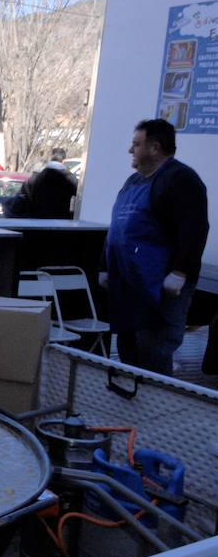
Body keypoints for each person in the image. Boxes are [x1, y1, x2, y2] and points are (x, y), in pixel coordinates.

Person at [99, 119, 208, 376]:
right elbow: (117, 227)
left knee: (154, 350)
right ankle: (129, 401)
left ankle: (157, 406)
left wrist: (180, 272)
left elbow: (194, 231)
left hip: (163, 286)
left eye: (136, 144)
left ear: (155, 148)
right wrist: (105, 265)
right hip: (128, 281)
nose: (130, 150)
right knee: (128, 348)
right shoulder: (133, 182)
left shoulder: (182, 180)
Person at [7, 147, 77, 219]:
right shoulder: (70, 179)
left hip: (38, 223)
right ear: (63, 161)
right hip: (62, 223)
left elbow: (21, 200)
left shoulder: (34, 179)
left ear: (51, 158)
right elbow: (80, 199)